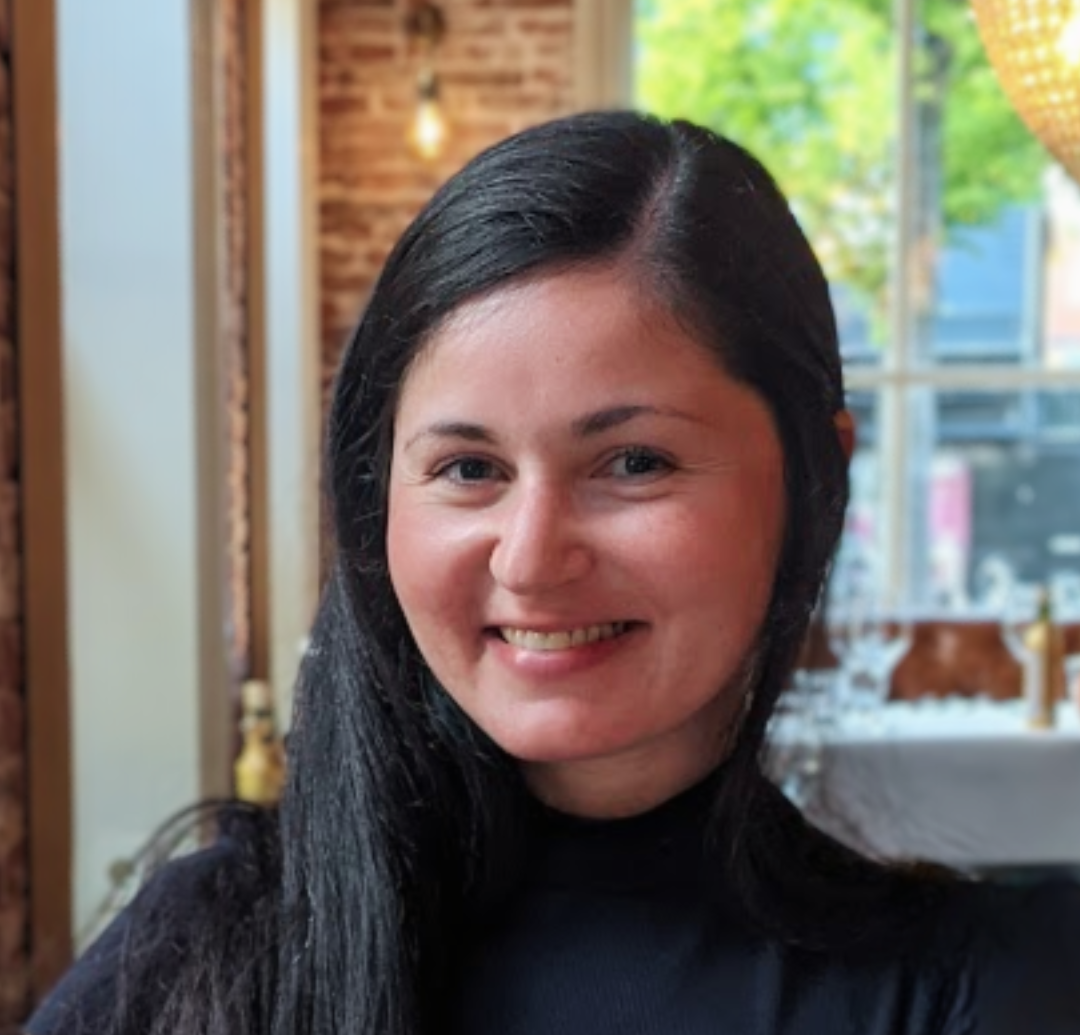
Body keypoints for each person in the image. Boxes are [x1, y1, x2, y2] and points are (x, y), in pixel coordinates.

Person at [28, 111, 1080, 1035]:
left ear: (815, 480)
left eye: (635, 462)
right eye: (468, 468)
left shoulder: (968, 991)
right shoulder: (206, 945)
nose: (531, 559)